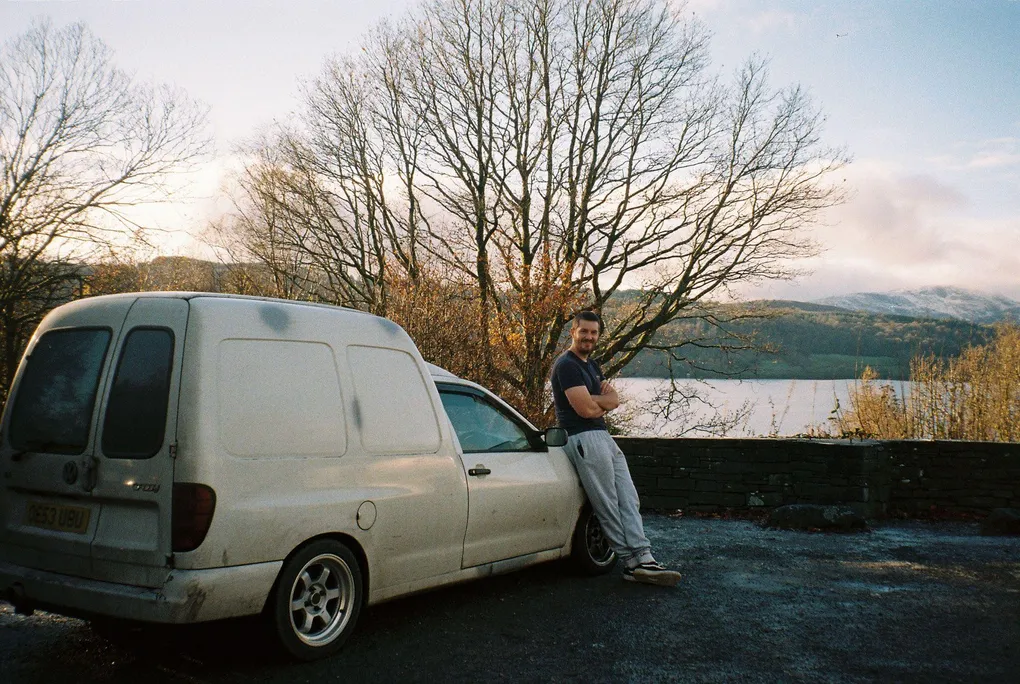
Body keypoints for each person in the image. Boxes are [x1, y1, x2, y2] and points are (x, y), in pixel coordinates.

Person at [551, 310, 682, 587]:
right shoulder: (567, 366)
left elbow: (614, 400)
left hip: (603, 437)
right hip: (583, 438)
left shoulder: (592, 365)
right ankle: (631, 563)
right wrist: (603, 401)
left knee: (628, 497)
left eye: (594, 332)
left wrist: (601, 401)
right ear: (573, 332)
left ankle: (644, 556)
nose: (589, 337)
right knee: (607, 503)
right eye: (584, 331)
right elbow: (586, 410)